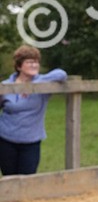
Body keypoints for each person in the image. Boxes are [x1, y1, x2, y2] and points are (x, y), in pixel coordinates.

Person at [0, 45, 67, 176]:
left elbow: (62, 74)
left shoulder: (43, 84)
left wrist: (32, 86)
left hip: (31, 141)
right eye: (29, 62)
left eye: (36, 62)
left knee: (28, 180)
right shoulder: (6, 85)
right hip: (5, 139)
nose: (34, 65)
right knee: (9, 179)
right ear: (19, 66)